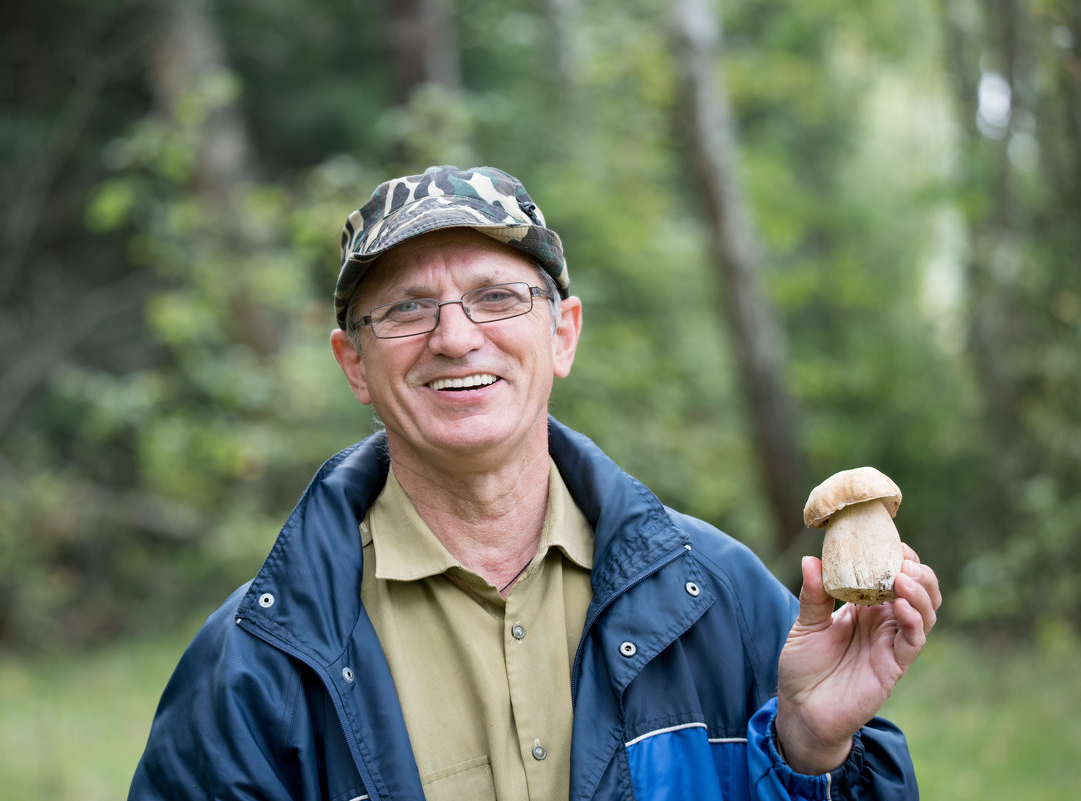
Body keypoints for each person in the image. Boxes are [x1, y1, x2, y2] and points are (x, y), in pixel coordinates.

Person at [128, 165, 942, 801]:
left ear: (562, 334)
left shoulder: (720, 597)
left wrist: (812, 750)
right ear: (355, 366)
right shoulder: (256, 660)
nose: (455, 337)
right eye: (408, 308)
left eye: (496, 297)